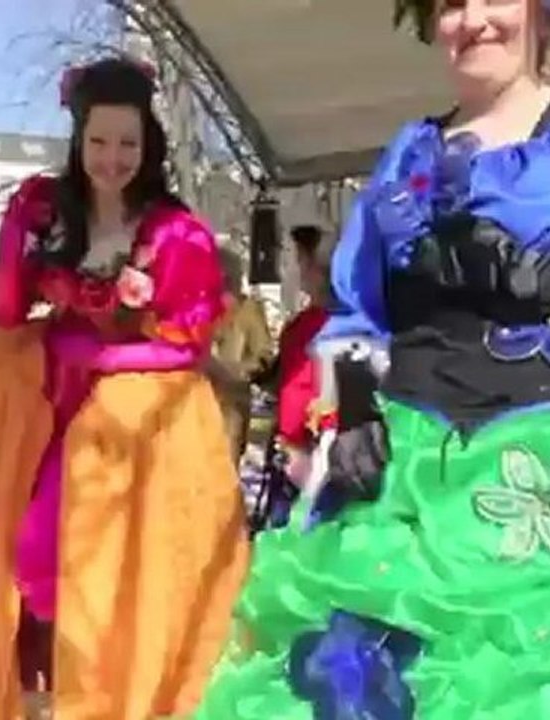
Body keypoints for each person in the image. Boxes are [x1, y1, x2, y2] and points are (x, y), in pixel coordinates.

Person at [193, 1, 550, 717]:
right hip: (399, 477)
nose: (473, 20)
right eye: (452, 3)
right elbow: (357, 310)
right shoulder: (408, 155)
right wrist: (353, 405)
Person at [0, 57, 251, 720]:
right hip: (41, 403)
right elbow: (9, 308)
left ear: (149, 144)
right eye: (99, 141)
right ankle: (35, 694)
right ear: (79, 141)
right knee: (12, 556)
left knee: (91, 564)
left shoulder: (175, 232)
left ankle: (98, 696)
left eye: (128, 143)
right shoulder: (48, 211)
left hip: (130, 420)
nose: (113, 159)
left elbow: (187, 346)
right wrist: (15, 241)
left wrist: (107, 357)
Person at [274, 225, 333, 488]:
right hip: (303, 439)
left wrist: (292, 438)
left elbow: (302, 386)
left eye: (301, 262)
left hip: (317, 442)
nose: (299, 271)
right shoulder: (302, 324)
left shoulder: (324, 327)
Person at [206, 248, 274, 467]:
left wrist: (237, 370)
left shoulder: (248, 310)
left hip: (232, 404)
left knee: (225, 469)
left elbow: (264, 356)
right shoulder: (200, 307)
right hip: (198, 403)